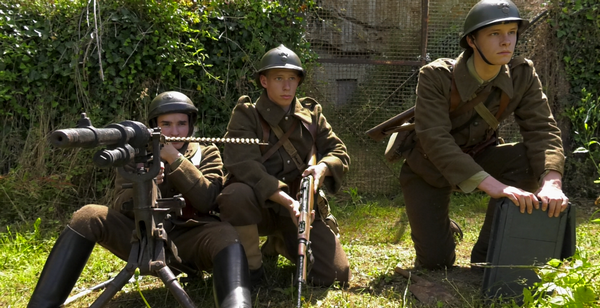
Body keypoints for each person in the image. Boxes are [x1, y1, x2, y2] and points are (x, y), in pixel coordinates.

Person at [28, 91, 252, 308]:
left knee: (226, 235)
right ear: (155, 126)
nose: (174, 131)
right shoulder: (134, 154)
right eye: (166, 124)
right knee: (87, 216)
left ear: (191, 125)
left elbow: (208, 200)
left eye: (181, 123)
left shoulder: (207, 152)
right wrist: (145, 181)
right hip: (140, 237)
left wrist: (175, 161)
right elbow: (120, 205)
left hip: (190, 239)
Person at [399, 0, 569, 270]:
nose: (506, 42)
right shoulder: (436, 76)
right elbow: (435, 141)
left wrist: (551, 182)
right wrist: (496, 187)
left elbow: (542, 130)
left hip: (481, 156)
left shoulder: (521, 75)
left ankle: (490, 252)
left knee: (527, 159)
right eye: (494, 34)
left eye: (511, 32)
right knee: (435, 262)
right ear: (472, 41)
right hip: (428, 169)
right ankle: (441, 229)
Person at [216, 44, 351, 286]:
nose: (287, 86)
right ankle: (251, 270)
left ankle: (280, 242)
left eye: (292, 78)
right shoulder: (247, 114)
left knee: (334, 274)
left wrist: (322, 168)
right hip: (259, 207)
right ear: (264, 81)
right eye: (278, 78)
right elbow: (243, 163)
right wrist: (287, 201)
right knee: (236, 193)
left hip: (300, 207)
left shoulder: (312, 114)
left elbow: (338, 151)